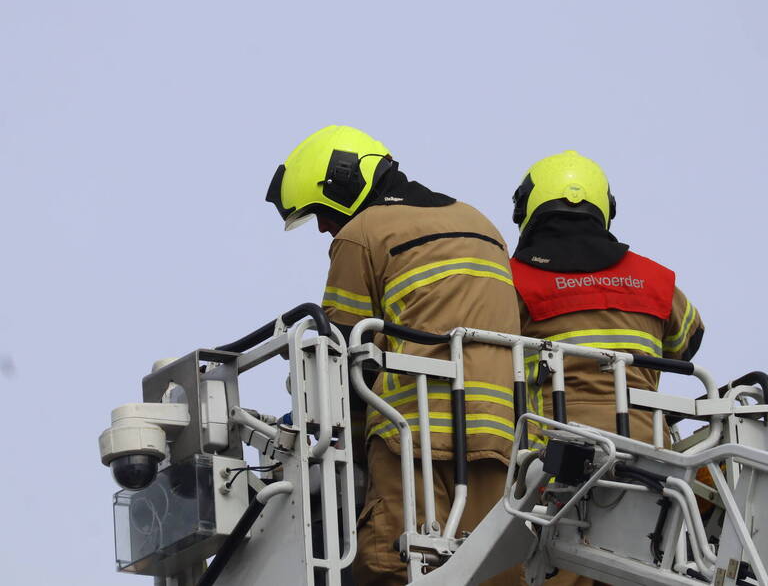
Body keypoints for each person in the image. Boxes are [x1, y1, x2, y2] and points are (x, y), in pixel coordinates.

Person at [267, 125, 521, 585]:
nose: (324, 226)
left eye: (322, 212)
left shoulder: (362, 233)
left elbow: (340, 360)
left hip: (411, 433)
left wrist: (338, 453)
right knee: (494, 574)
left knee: (390, 567)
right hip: (499, 433)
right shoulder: (483, 227)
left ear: (346, 184)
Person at [509, 150, 704, 586]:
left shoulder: (513, 279)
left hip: (554, 454)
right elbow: (686, 344)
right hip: (648, 453)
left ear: (528, 208)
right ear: (605, 209)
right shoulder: (657, 279)